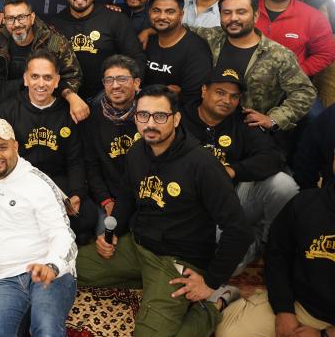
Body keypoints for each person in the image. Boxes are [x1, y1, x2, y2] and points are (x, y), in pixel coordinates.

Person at [77, 85, 252, 337]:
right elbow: (126, 196)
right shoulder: (137, 151)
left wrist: (210, 282)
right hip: (137, 246)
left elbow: (239, 230)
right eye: (143, 115)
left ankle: (215, 304)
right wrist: (112, 233)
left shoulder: (203, 164)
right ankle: (149, 284)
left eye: (159, 116)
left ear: (176, 119)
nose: (150, 124)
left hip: (177, 260)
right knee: (69, 268)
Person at [0, 116, 78, 336]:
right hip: (5, 278)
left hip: (48, 271)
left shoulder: (37, 181)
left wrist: (52, 266)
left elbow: (63, 235)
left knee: (46, 329)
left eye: (2, 147)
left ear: (16, 146)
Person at [181, 68, 298, 272]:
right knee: (220, 263)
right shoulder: (179, 119)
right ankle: (249, 239)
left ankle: (267, 241)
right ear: (204, 90)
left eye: (234, 96)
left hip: (233, 197)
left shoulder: (242, 121)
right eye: (220, 92)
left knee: (284, 184)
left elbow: (273, 157)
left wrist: (233, 170)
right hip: (191, 203)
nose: (227, 100)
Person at [0, 51, 96, 243]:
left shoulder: (68, 113)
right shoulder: (7, 110)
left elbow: (75, 160)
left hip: (57, 181)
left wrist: (76, 194)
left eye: (47, 78)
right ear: (25, 79)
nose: (41, 84)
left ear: (57, 81)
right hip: (20, 181)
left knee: (87, 217)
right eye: (35, 77)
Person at [216, 181, 335, 337]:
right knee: (228, 332)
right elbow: (277, 255)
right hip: (300, 305)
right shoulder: (305, 203)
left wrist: (324, 335)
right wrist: (284, 310)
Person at [191, 0, 316, 133]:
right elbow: (177, 29)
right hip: (205, 125)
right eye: (227, 13)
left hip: (249, 132)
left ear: (255, 16)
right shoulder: (210, 37)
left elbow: (305, 92)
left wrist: (274, 119)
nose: (233, 18)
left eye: (241, 12)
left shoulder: (278, 55)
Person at [51, 0, 146, 101]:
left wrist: (131, 89)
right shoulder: (54, 24)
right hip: (65, 97)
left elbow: (136, 57)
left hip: (108, 98)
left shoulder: (115, 19)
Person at [0, 0, 87, 120]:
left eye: (21, 17)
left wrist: (70, 96)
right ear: (4, 20)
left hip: (48, 108)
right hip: (10, 109)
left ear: (32, 17)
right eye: (10, 19)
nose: (16, 24)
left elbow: (72, 75)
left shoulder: (54, 43)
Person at [82, 56, 141, 232]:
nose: (115, 85)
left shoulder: (149, 115)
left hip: (145, 197)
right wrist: (105, 200)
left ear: (136, 83)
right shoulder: (93, 117)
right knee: (105, 236)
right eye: (109, 80)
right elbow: (91, 165)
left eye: (122, 79)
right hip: (110, 198)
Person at [256, 0, 335, 78]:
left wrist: (297, 74)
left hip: (288, 86)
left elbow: (326, 53)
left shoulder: (313, 17)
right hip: (244, 83)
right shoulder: (245, 10)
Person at [143, 0, 213, 104]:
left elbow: (193, 97)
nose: (162, 16)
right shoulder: (146, 40)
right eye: (156, 11)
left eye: (170, 12)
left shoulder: (197, 49)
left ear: (181, 15)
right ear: (149, 12)